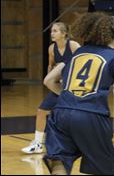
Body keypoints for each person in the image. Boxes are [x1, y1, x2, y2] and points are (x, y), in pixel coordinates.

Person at [42, 12, 114, 175]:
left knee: (59, 163)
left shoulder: (79, 52)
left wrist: (70, 95)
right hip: (92, 118)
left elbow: (49, 81)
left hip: (61, 113)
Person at [21, 22, 81, 154]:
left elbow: (84, 63)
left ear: (64, 34)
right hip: (60, 87)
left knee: (83, 116)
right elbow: (50, 66)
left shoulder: (73, 45)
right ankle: (37, 144)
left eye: (55, 31)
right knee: (41, 111)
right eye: (52, 31)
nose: (52, 33)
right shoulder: (51, 48)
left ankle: (100, 146)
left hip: (75, 87)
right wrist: (51, 82)